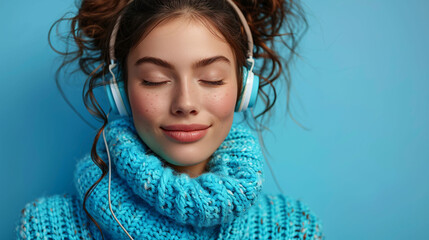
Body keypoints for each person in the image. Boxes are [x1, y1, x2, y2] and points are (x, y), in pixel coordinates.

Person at [16, 0, 324, 239]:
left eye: (212, 79)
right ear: (119, 93)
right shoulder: (45, 228)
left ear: (244, 89)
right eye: (154, 79)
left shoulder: (294, 229)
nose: (185, 104)